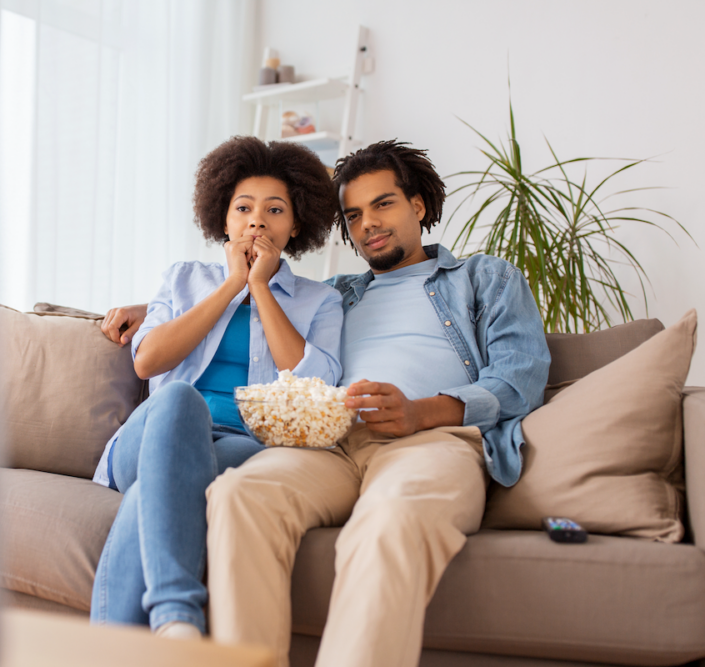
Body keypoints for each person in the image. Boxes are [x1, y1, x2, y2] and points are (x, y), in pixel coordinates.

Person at [103, 140, 550, 665]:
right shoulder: (337, 292)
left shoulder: (483, 278)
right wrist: (148, 305)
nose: (368, 225)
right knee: (238, 497)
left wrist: (421, 410)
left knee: (390, 522)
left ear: (418, 206)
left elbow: (520, 380)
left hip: (427, 438)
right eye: (354, 214)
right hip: (328, 444)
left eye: (383, 204)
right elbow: (250, 305)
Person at [90, 136, 344, 641]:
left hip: (243, 447)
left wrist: (260, 289)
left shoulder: (321, 301)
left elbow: (314, 385)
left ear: (295, 225)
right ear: (223, 219)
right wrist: (231, 286)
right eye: (243, 208)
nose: (257, 221)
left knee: (154, 492)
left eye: (275, 210)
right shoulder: (184, 278)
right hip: (153, 435)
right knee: (180, 399)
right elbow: (147, 361)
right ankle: (176, 613)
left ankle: (150, 636)